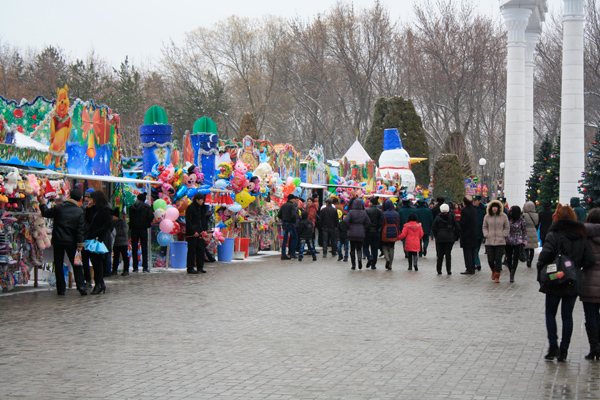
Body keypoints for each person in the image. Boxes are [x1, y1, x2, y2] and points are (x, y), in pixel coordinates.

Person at [537, 204, 595, 362]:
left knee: (550, 313)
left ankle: (553, 346)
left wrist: (541, 272)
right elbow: (590, 259)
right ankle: (564, 350)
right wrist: (576, 268)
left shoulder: (554, 233)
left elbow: (545, 255)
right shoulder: (581, 235)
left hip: (555, 279)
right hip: (572, 280)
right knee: (567, 316)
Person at [38, 189, 86, 296]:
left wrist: (42, 203)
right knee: (76, 264)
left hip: (58, 240)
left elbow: (46, 213)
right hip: (72, 242)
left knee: (58, 264)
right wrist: (80, 244)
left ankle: (61, 289)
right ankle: (81, 286)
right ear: (79, 199)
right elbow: (80, 229)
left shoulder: (59, 207)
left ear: (69, 195)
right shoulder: (79, 211)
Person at [85, 191, 113, 295]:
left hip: (100, 240)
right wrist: (88, 209)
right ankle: (101, 283)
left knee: (98, 262)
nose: (90, 201)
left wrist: (98, 233)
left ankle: (98, 285)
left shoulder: (105, 209)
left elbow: (108, 225)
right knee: (94, 261)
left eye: (92, 199)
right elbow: (88, 220)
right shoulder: (94, 209)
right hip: (92, 239)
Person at [583, 208, 600, 360]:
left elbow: (583, 259)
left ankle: (594, 347)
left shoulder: (585, 237)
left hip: (589, 281)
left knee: (590, 316)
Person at [483, 200, 509, 283]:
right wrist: (486, 234)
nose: (494, 209)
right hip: (490, 241)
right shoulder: (487, 216)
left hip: (500, 241)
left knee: (498, 259)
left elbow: (507, 227)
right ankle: (493, 270)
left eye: (496, 207)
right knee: (490, 259)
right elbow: (484, 226)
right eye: (493, 207)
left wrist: (503, 234)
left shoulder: (504, 216)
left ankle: (497, 275)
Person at [431, 203, 460, 275]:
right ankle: (448, 270)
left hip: (440, 238)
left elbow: (433, 227)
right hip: (449, 237)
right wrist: (455, 235)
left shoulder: (437, 218)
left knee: (440, 254)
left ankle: (439, 270)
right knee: (448, 254)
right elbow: (458, 227)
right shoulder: (452, 217)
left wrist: (437, 234)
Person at [129, 193, 153, 272]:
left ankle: (135, 267)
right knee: (144, 247)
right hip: (143, 229)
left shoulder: (132, 207)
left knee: (134, 248)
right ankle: (145, 267)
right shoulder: (147, 207)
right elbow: (150, 217)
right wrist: (147, 223)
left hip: (134, 229)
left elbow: (130, 218)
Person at [344, 198, 371, 270]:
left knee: (352, 248)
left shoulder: (351, 212)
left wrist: (349, 226)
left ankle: (353, 264)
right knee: (359, 248)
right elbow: (368, 222)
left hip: (352, 232)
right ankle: (359, 259)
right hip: (361, 232)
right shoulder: (364, 212)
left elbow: (345, 220)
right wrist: (363, 227)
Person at [186, 192, 209, 274]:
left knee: (201, 249)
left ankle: (200, 267)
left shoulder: (202, 208)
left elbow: (203, 220)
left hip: (201, 232)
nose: (202, 202)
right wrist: (193, 231)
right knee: (192, 250)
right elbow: (188, 221)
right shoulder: (190, 208)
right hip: (192, 233)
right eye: (201, 200)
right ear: (197, 200)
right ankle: (190, 267)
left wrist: (204, 230)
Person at [505, 205, 527, 283]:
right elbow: (505, 229)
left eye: (511, 211)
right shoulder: (508, 219)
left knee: (516, 258)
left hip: (518, 241)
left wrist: (524, 241)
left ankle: (512, 273)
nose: (510, 212)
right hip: (508, 240)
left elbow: (524, 231)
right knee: (509, 257)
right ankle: (510, 269)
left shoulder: (521, 219)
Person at [459, 196, 478, 275]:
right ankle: (473, 268)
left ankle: (469, 268)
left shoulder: (464, 211)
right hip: (473, 234)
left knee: (467, 253)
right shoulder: (474, 210)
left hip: (466, 235)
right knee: (473, 252)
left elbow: (462, 223)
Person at [380, 200, 400, 270]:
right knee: (392, 248)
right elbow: (398, 224)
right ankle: (390, 264)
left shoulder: (383, 213)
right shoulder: (396, 213)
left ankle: (387, 258)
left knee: (384, 246)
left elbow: (381, 224)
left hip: (386, 230)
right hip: (394, 230)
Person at [278, 194, 298, 260]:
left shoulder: (283, 205)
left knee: (285, 238)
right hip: (290, 223)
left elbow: (279, 215)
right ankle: (292, 253)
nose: (295, 200)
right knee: (294, 237)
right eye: (294, 199)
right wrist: (293, 221)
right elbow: (293, 215)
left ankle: (283, 254)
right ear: (292, 199)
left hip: (284, 223)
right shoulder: (292, 206)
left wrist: (283, 218)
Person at [364, 197, 382, 270]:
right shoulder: (379, 211)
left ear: (371, 203)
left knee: (365, 246)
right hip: (376, 232)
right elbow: (381, 222)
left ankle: (369, 257)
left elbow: (365, 221)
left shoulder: (366, 211)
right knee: (374, 248)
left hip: (367, 231)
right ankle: (373, 264)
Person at [111, 208, 130, 276]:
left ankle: (126, 270)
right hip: (116, 242)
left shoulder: (122, 222)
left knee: (124, 256)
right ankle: (114, 270)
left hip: (123, 242)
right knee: (115, 256)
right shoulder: (112, 222)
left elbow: (124, 231)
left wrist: (115, 231)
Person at [523, 201, 540, 268]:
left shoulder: (524, 215)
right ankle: (531, 260)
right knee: (532, 248)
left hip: (526, 231)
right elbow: (537, 224)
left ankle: (527, 259)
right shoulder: (536, 215)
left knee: (526, 248)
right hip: (533, 231)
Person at [473, 195, 487, 270]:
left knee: (477, 248)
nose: (474, 202)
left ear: (479, 201)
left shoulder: (484, 209)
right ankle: (477, 263)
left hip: (480, 232)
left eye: (475, 201)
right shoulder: (472, 208)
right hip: (473, 232)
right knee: (474, 249)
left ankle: (475, 262)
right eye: (473, 201)